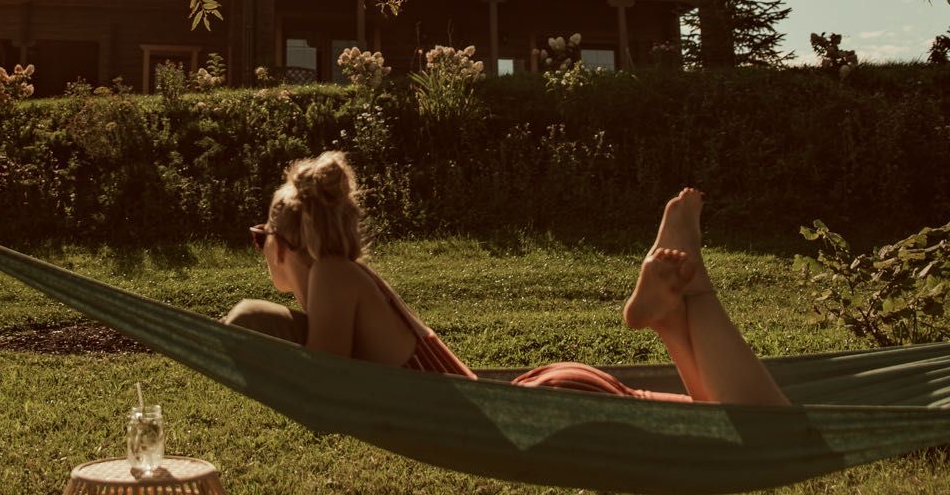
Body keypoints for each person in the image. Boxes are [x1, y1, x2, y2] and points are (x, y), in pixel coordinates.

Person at [224, 151, 789, 407]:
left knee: (764, 428)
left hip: (544, 406)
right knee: (721, 421)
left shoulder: (332, 277)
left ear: (278, 244)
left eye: (259, 239)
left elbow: (326, 386)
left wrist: (258, 342)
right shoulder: (348, 278)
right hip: (540, 395)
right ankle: (670, 320)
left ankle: (694, 290)